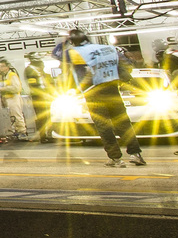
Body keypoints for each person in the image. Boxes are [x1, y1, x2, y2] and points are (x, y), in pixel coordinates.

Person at [61, 28, 146, 167]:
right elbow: (126, 67)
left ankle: (116, 159)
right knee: (123, 124)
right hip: (112, 90)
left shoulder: (76, 52)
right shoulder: (109, 49)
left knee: (104, 127)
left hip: (93, 93)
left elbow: (59, 55)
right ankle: (136, 154)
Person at [23, 52, 55, 142]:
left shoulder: (38, 69)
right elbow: (33, 84)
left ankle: (49, 134)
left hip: (45, 96)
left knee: (48, 115)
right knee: (42, 116)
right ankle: (43, 136)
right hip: (38, 96)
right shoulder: (30, 69)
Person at [0, 58, 28, 139]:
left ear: (7, 67)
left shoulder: (12, 75)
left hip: (14, 98)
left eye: (2, 66)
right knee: (12, 117)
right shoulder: (3, 76)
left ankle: (22, 132)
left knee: (17, 115)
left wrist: (3, 88)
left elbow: (16, 88)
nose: (0, 68)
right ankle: (16, 132)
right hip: (8, 99)